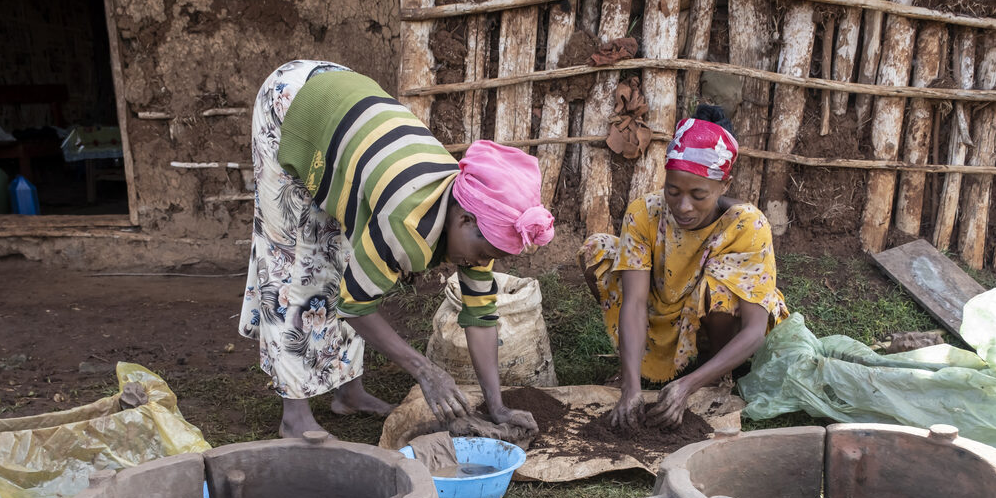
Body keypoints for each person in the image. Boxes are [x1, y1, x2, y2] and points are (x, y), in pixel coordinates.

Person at [241, 60, 554, 438]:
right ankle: (295, 417)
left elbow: (481, 314)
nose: (482, 262)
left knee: (346, 257)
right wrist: (425, 370)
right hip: (295, 105)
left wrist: (498, 406)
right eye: (485, 253)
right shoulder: (406, 222)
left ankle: (349, 393)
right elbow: (354, 305)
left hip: (345, 107)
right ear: (464, 220)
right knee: (295, 262)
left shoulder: (478, 222)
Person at [578, 105, 789, 430]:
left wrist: (688, 386)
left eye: (698, 195)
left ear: (725, 185)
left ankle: (713, 372)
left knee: (719, 292)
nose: (683, 206)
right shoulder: (645, 213)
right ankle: (637, 367)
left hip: (718, 321)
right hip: (665, 309)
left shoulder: (748, 226)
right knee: (599, 250)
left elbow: (753, 329)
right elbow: (634, 301)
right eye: (673, 191)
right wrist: (631, 387)